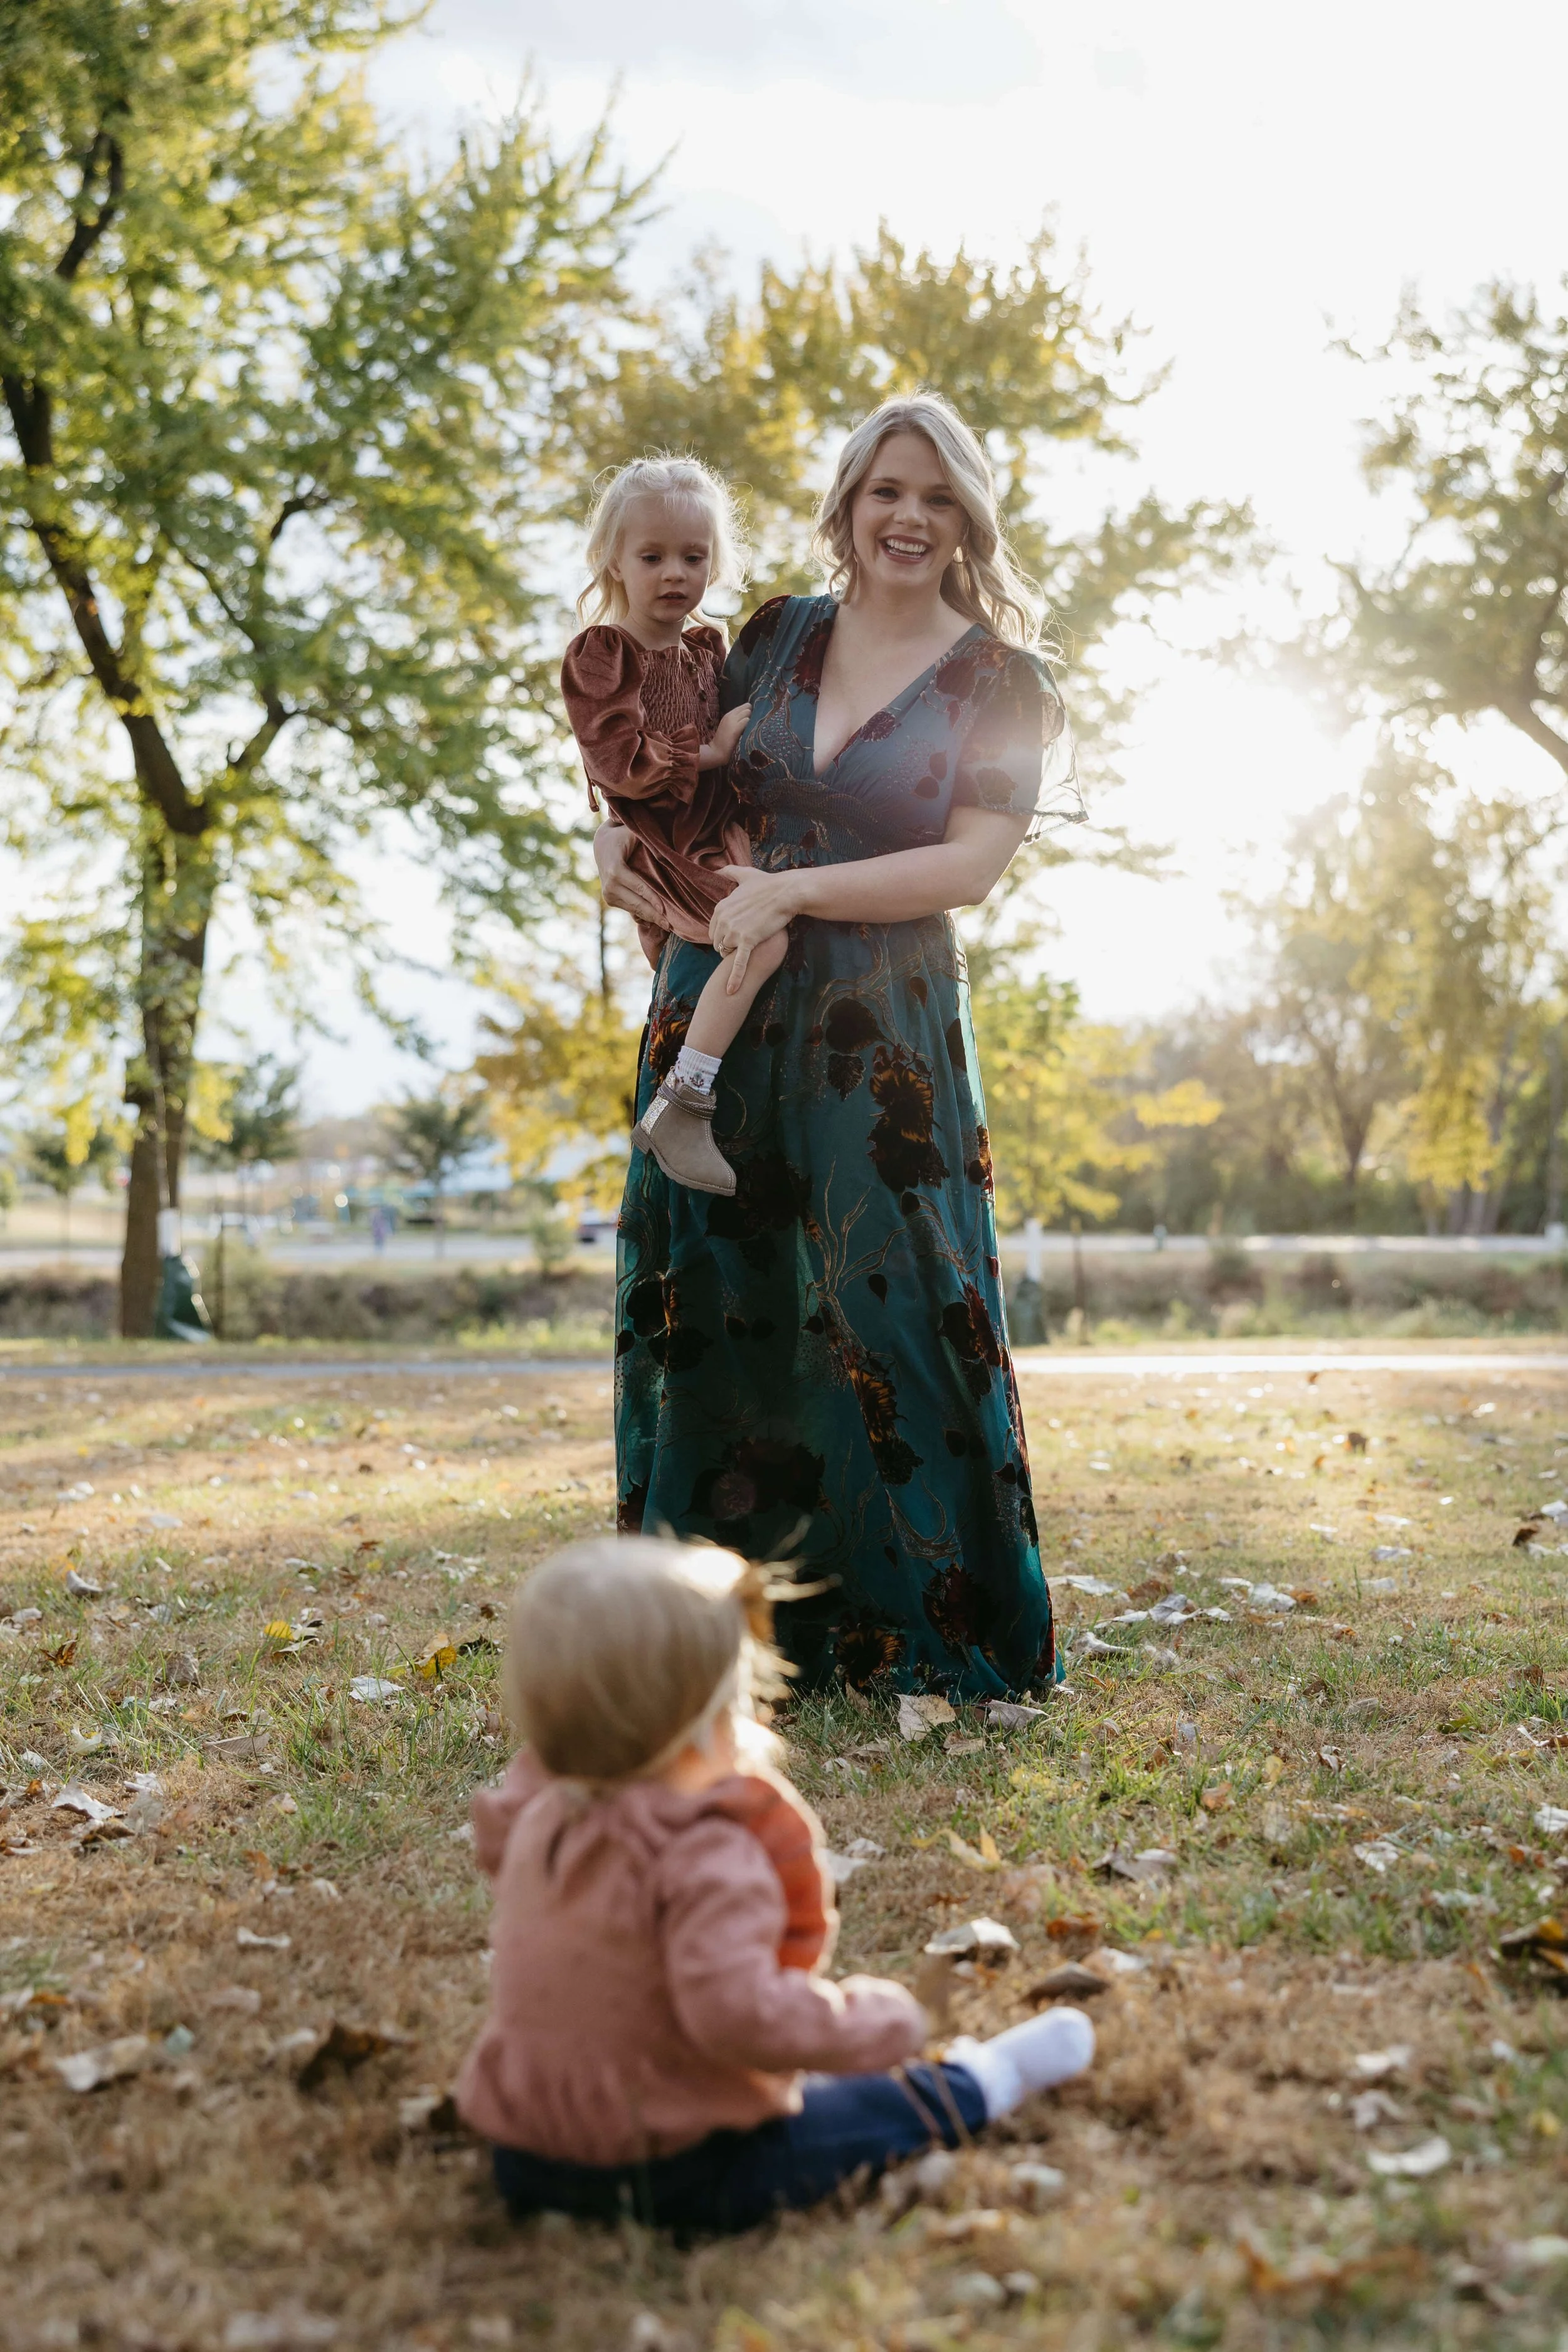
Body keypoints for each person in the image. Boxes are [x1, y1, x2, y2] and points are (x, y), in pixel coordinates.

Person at [599, 394, 1083, 1700]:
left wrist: (801, 892)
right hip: (724, 1006)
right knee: (711, 1301)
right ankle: (711, 1641)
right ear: (847, 508)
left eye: (933, 496)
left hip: (884, 1032)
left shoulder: (1002, 682)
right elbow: (671, 775)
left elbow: (970, 866)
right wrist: (606, 846)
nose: (907, 518)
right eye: (884, 493)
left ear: (966, 516)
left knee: (903, 1307)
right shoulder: (770, 636)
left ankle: (938, 1634)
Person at [455, 1536, 1095, 2233]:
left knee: (774, 2077)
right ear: (708, 1708)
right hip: (672, 2169)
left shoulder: (539, 1817)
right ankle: (983, 2079)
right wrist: (886, 2021)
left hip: (523, 2150)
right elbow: (739, 2016)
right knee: (851, 2115)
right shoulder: (701, 1851)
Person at [560, 456, 788, 1197]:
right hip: (666, 843)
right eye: (652, 556)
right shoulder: (603, 653)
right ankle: (683, 1104)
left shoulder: (705, 647)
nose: (674, 574)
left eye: (693, 557)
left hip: (718, 828)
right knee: (766, 933)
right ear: (613, 562)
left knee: (771, 921)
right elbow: (617, 763)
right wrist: (713, 749)